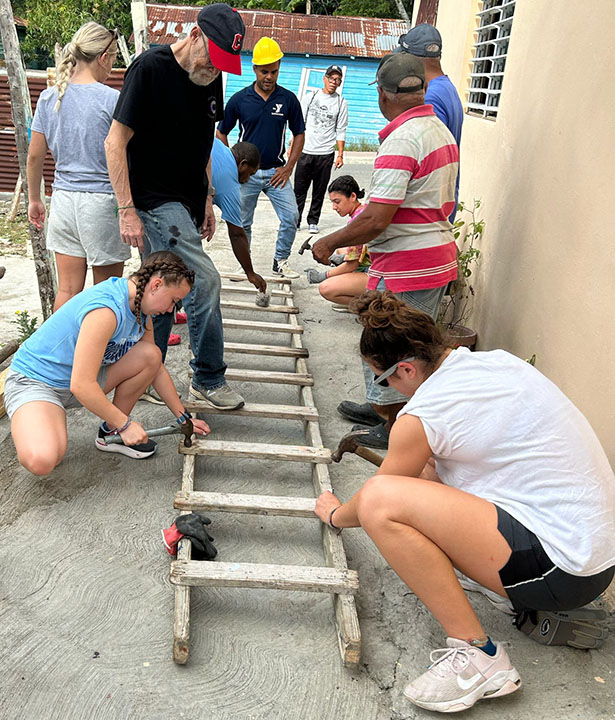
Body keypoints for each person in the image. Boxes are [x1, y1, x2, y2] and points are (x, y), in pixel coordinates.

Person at [316, 290, 615, 713]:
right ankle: (501, 585)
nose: (380, 390)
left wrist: (334, 513)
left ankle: (480, 657)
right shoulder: (495, 363)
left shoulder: (422, 417)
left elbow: (373, 501)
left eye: (380, 380)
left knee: (382, 501)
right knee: (417, 479)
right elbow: (432, 478)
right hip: (595, 557)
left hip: (562, 570)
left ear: (404, 369)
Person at [311, 53, 459, 449]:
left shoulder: (404, 139)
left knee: (388, 347)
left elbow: (376, 218)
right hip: (430, 257)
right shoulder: (439, 130)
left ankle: (394, 425)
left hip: (408, 264)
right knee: (406, 344)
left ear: (382, 94)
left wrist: (330, 241)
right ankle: (384, 408)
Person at [105, 3, 248, 411]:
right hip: (152, 200)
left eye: (223, 64)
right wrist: (126, 208)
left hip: (187, 200)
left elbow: (206, 142)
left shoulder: (210, 77)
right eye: (212, 58)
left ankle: (148, 371)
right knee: (204, 279)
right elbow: (114, 143)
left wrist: (206, 198)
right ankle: (208, 376)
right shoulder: (149, 69)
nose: (214, 70)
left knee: (160, 290)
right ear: (195, 35)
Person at [5, 251, 210, 475]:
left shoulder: (142, 309)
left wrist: (183, 417)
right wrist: (126, 424)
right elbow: (81, 385)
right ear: (156, 285)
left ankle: (110, 434)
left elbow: (155, 367)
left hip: (76, 382)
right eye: (174, 301)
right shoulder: (106, 310)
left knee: (150, 355)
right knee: (43, 460)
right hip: (37, 382)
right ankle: (40, 415)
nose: (172, 310)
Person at [27, 22, 129, 311]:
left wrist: (35, 199)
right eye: (113, 59)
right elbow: (125, 154)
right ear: (103, 57)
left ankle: (61, 353)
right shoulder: (112, 100)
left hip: (62, 201)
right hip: (101, 203)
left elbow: (35, 157)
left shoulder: (49, 97)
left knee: (68, 290)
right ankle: (101, 355)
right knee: (106, 294)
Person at [216, 37, 305, 279]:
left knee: (291, 217)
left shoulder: (287, 100)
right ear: (254, 69)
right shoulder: (240, 99)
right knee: (242, 223)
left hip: (277, 172)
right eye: (264, 71)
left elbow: (299, 134)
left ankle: (281, 261)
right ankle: (244, 266)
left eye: (274, 71)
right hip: (247, 177)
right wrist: (231, 165)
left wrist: (288, 168)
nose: (269, 77)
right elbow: (221, 132)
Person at [396, 23, 463, 223]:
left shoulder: (430, 96)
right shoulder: (447, 87)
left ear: (415, 60)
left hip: (429, 208)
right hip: (442, 201)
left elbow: (429, 158)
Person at [293, 64, 348, 234]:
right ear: (325, 79)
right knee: (299, 189)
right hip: (306, 150)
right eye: (331, 78)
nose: (334, 82)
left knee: (319, 189)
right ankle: (295, 220)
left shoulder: (341, 103)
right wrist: (292, 145)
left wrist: (340, 154)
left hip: (325, 153)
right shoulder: (311, 97)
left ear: (339, 83)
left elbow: (341, 129)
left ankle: (313, 221)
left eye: (337, 79)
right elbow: (299, 123)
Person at [304, 175, 369, 312]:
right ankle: (355, 298)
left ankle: (368, 307)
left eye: (337, 202)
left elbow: (352, 264)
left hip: (379, 275)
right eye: (332, 202)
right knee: (340, 250)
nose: (334, 207)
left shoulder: (358, 222)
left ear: (352, 196)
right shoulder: (363, 210)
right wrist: (342, 259)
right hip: (373, 265)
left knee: (326, 288)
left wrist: (323, 275)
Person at [210, 139, 267, 289]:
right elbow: (236, 234)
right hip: (170, 205)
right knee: (204, 278)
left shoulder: (218, 145)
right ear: (243, 164)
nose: (248, 180)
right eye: (250, 174)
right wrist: (250, 273)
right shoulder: (230, 185)